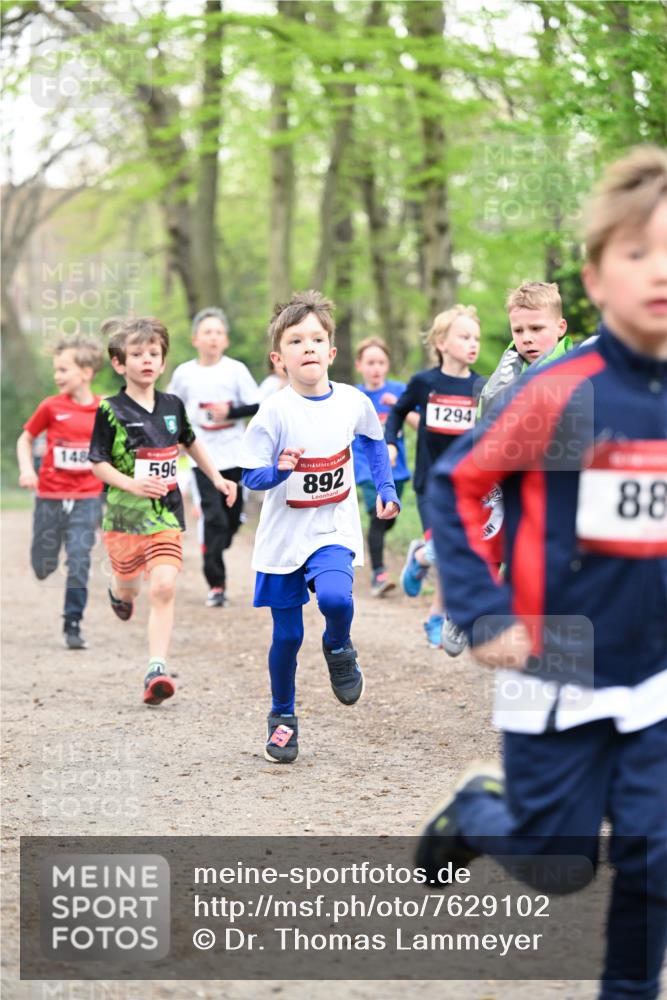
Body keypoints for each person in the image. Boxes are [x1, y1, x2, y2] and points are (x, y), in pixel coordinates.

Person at [417, 146, 667, 1000]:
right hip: (556, 653)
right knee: (557, 863)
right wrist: (482, 609)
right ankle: (475, 813)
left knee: (652, 857)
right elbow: (459, 482)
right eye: (637, 253)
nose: (659, 272)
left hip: (656, 673)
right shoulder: (564, 391)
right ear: (594, 280)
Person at [240, 291, 400, 764]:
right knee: (287, 637)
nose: (307, 346)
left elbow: (373, 441)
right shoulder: (274, 411)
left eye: (315, 339)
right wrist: (278, 472)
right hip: (283, 538)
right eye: (295, 340)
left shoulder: (351, 401)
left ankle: (338, 646)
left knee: (335, 599)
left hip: (332, 528)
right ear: (279, 359)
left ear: (331, 352)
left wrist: (386, 488)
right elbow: (250, 474)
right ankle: (282, 717)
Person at [89, 316, 237, 705]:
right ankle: (119, 592)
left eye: (153, 353)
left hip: (165, 515)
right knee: (129, 585)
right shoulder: (110, 410)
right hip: (124, 517)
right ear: (119, 363)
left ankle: (156, 669)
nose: (147, 360)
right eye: (137, 354)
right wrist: (131, 484)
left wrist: (217, 478)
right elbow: (98, 463)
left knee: (164, 585)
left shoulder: (173, 405)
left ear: (163, 360)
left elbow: (191, 442)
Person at [442, 281, 573, 658]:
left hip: (557, 481)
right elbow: (483, 426)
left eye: (537, 328)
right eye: (519, 330)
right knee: (492, 541)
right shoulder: (505, 375)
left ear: (560, 327)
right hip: (506, 477)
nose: (526, 338)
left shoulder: (576, 368)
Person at [384, 305, 482, 648]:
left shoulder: (481, 387)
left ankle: (434, 616)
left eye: (476, 338)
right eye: (464, 337)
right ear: (442, 343)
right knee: (443, 549)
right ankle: (420, 557)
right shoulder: (425, 382)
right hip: (431, 483)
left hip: (467, 486)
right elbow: (398, 412)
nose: (473, 344)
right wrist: (390, 443)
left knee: (452, 552)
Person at [16, 333, 105, 650]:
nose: (57, 376)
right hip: (50, 497)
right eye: (55, 369)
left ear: (86, 372)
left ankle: (73, 622)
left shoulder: (104, 410)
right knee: (43, 566)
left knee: (79, 560)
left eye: (63, 369)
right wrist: (27, 469)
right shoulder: (51, 407)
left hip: (87, 497)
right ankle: (44, 563)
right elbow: (26, 438)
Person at [167, 307, 259, 608]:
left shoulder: (236, 370)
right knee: (213, 518)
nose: (213, 338)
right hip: (202, 459)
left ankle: (223, 537)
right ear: (195, 339)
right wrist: (174, 438)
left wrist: (230, 412)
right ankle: (216, 585)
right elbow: (170, 406)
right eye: (207, 332)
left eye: (218, 332)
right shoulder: (185, 373)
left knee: (231, 521)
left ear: (226, 340)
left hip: (235, 456)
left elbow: (257, 405)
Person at [352, 337, 416, 597]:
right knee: (378, 516)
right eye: (370, 363)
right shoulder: (353, 396)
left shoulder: (399, 391)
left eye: (380, 362)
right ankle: (379, 574)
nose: (376, 368)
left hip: (396, 468)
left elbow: (419, 423)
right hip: (366, 467)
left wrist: (399, 408)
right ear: (359, 365)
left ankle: (379, 563)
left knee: (390, 516)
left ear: (387, 364)